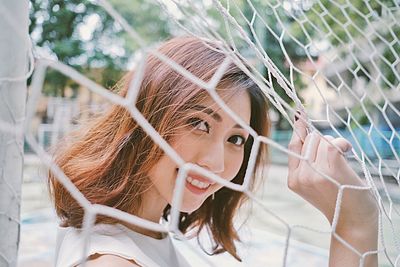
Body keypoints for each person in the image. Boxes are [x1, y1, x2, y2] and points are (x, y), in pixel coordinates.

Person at [49, 36, 378, 267]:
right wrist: (355, 225)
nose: (217, 164)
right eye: (199, 123)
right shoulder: (112, 260)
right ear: (146, 115)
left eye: (236, 139)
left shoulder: (143, 230)